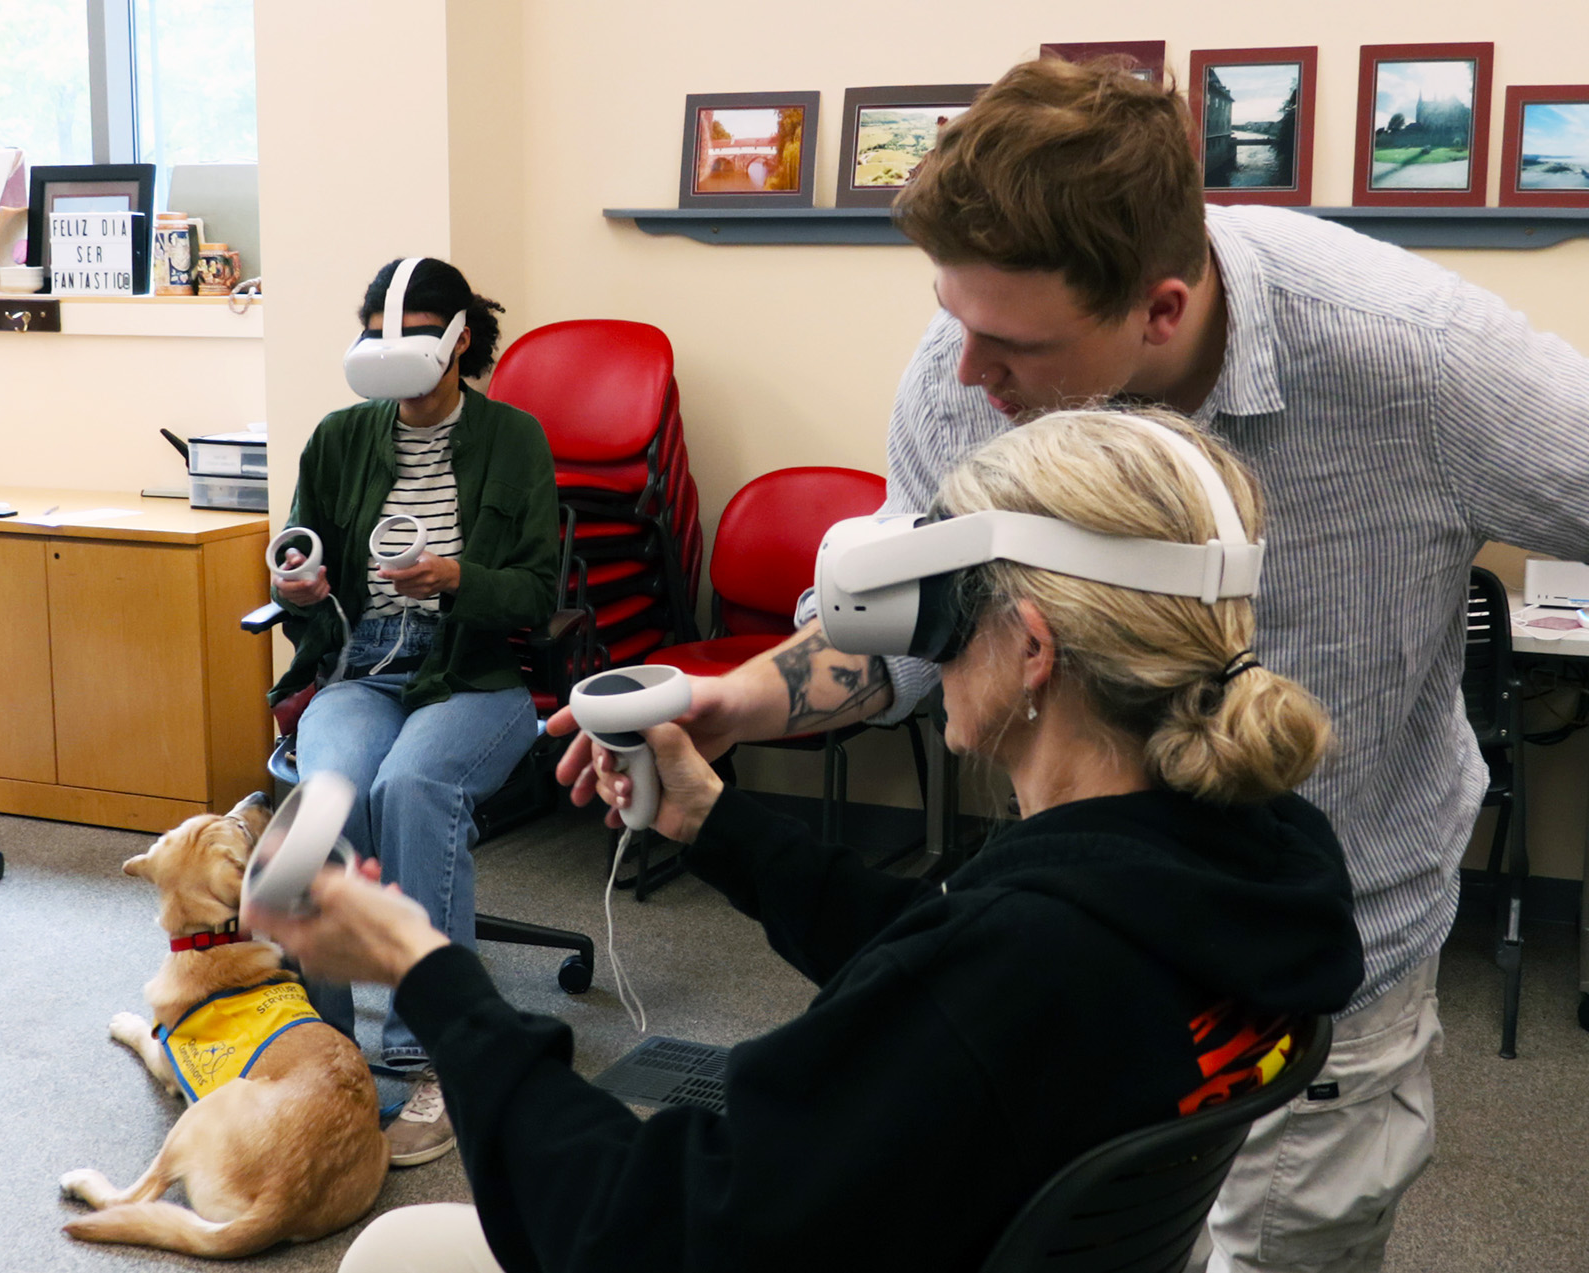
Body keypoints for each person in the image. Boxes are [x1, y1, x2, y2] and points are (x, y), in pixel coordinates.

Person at [553, 57, 1589, 1273]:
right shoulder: (968, 372)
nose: (963, 376)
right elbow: (923, 623)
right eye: (953, 320)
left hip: (1310, 972)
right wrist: (744, 697)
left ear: (1158, 309)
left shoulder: (1414, 360)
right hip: (1069, 969)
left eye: (1006, 344)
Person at [256, 409, 1365, 1273]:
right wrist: (709, 820)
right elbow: (938, 957)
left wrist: (428, 972)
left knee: (399, 1249)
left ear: (1028, 648)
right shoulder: (1241, 859)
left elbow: (636, 1232)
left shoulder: (1026, 963)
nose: (928, 653)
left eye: (944, 613)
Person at [268, 256, 560, 1167]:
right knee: (328, 796)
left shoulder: (515, 439)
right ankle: (320, 1044)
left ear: (459, 338)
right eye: (381, 332)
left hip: (473, 674)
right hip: (362, 664)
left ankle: (433, 1049)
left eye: (418, 331)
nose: (396, 349)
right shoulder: (341, 436)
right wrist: (299, 583)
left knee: (416, 787)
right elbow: (298, 562)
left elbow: (536, 591)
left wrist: (457, 579)